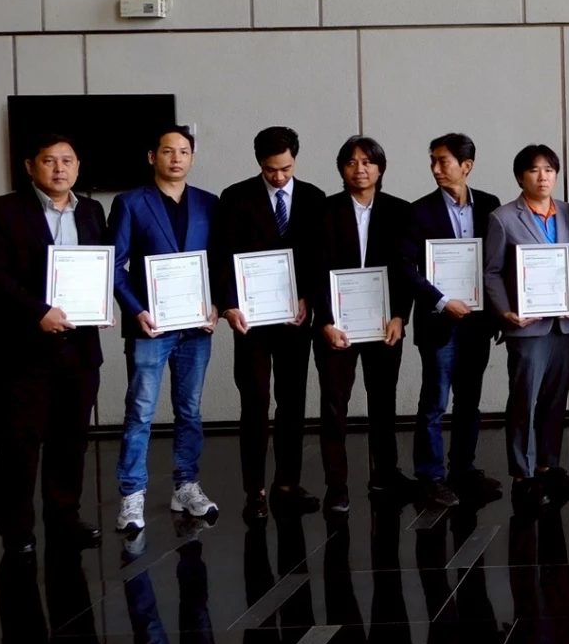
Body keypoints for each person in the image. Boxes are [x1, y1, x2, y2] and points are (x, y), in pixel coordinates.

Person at [0, 133, 109, 555]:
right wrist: (38, 312)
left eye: (67, 160)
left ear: (78, 166)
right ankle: (17, 530)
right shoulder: (0, 210)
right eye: (49, 160)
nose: (59, 168)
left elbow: (100, 267)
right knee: (18, 444)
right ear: (31, 166)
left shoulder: (91, 211)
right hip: (20, 350)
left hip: (79, 349)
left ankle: (64, 518)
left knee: (71, 440)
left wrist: (101, 304)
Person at [109, 125, 219, 532]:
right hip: (150, 327)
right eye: (168, 151)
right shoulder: (130, 203)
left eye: (184, 151)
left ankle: (186, 486)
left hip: (196, 329)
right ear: (152, 157)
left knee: (190, 409)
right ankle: (132, 494)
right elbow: (114, 264)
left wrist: (217, 305)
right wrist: (136, 310)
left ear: (192, 158)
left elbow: (219, 262)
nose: (176, 158)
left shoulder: (208, 203)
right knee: (140, 411)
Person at [211, 126, 326, 518]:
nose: (278, 176)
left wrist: (308, 298)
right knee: (255, 402)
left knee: (292, 402)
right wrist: (228, 306)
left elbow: (318, 257)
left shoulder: (313, 198)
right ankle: (255, 490)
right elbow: (222, 256)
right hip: (252, 322)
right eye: (270, 169)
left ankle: (287, 483)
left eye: (286, 169)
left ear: (295, 159)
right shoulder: (235, 196)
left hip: (295, 319)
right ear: (259, 162)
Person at [309, 136, 413, 514]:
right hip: (335, 327)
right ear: (342, 169)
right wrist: (324, 321)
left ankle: (384, 474)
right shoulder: (323, 211)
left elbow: (406, 270)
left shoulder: (400, 211)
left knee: (383, 402)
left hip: (385, 324)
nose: (360, 169)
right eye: (351, 162)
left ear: (380, 168)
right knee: (334, 406)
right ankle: (336, 485)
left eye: (368, 162)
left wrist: (400, 315)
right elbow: (314, 271)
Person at [402, 133, 503, 508]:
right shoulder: (419, 211)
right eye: (432, 160)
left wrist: (501, 310)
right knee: (434, 402)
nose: (435, 168)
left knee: (469, 401)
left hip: (477, 322)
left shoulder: (489, 206)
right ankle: (430, 477)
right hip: (438, 321)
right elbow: (404, 267)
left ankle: (464, 469)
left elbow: (497, 263)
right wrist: (442, 301)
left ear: (467, 165)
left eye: (442, 161)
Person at [484, 144, 569, 510]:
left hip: (562, 323)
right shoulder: (502, 218)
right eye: (534, 170)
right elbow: (492, 271)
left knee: (556, 398)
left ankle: (547, 465)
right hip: (526, 325)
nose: (542, 177)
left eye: (549, 170)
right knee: (524, 399)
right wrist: (505, 312)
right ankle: (522, 475)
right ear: (520, 177)